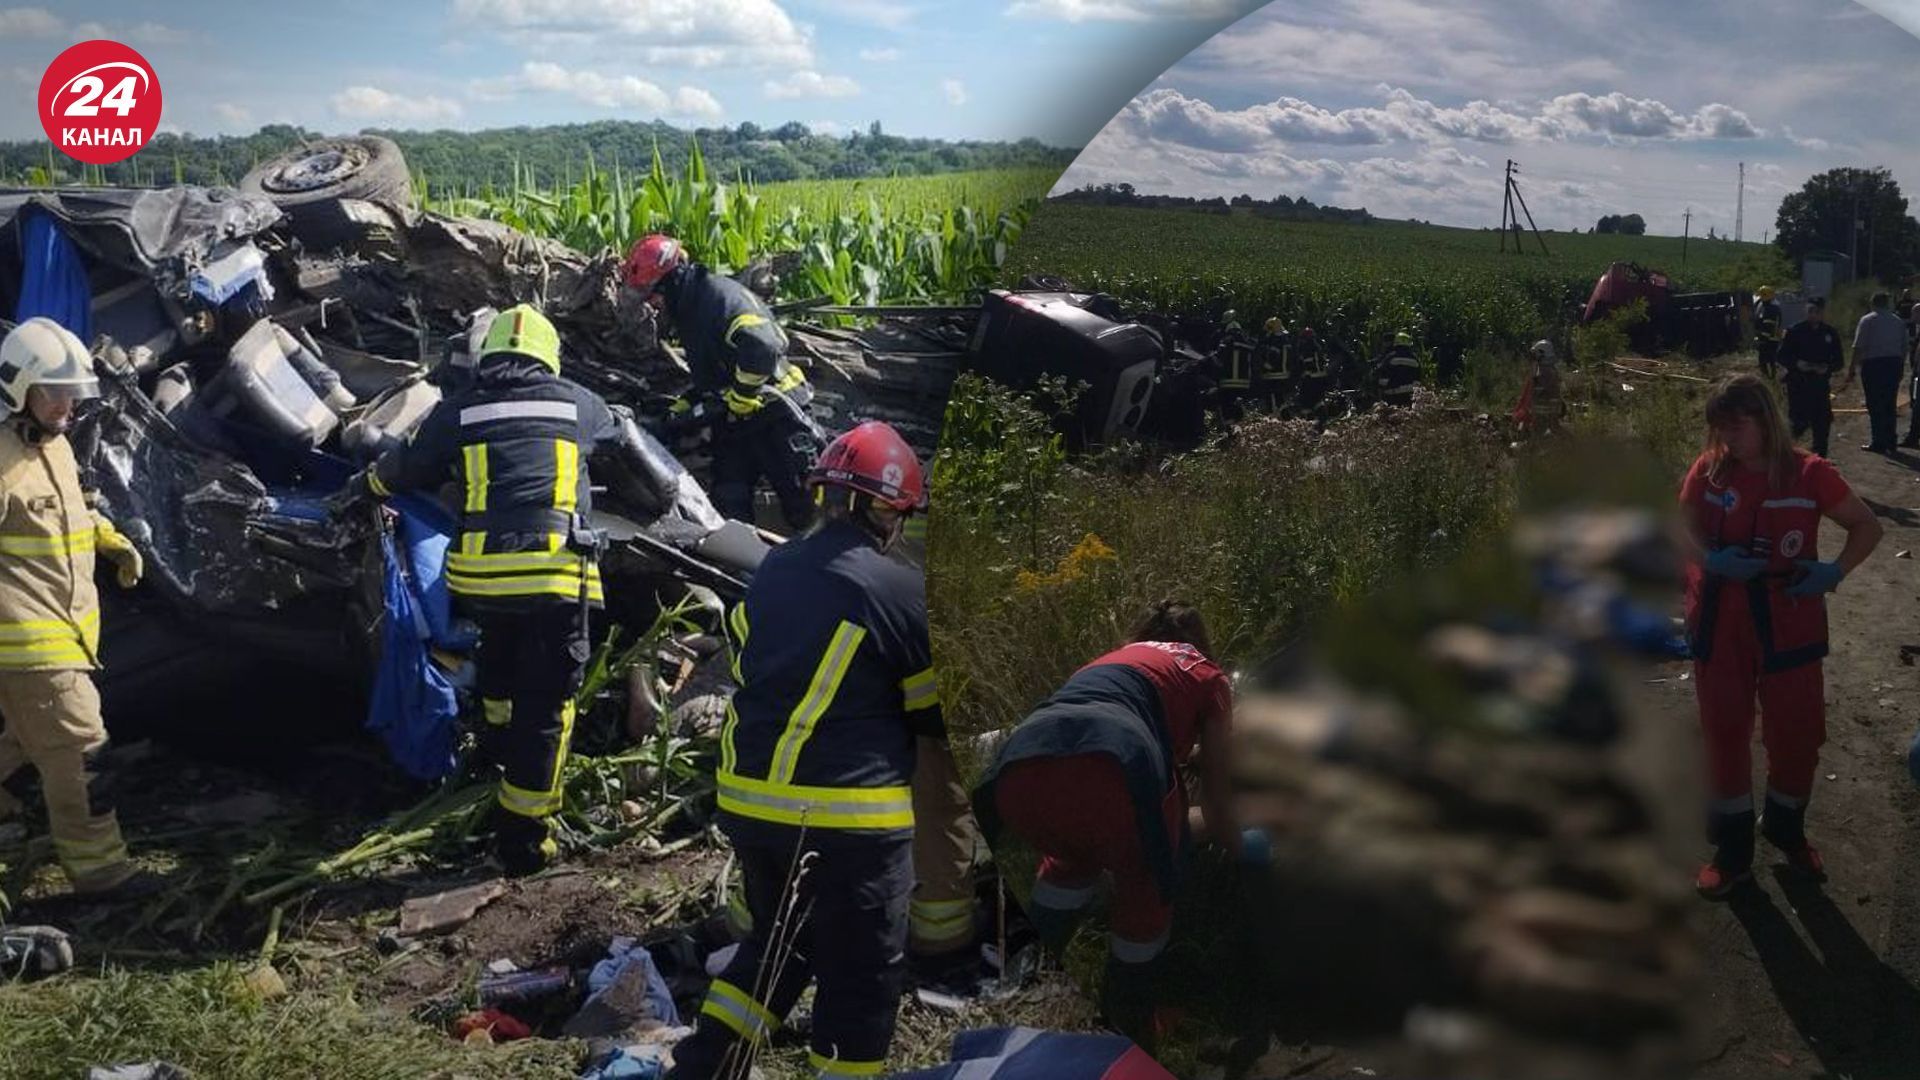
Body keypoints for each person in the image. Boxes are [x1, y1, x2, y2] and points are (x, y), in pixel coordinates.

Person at [670, 421, 935, 1080]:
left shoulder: (772, 571)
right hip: (851, 819)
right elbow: (932, 714)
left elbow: (747, 661)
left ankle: (701, 1069)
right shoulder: (898, 590)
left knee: (780, 946)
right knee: (861, 975)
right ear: (885, 510)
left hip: (751, 807)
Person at [348, 304, 638, 876]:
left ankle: (495, 762)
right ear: (548, 356)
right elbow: (620, 437)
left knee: (501, 677)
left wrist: (363, 487)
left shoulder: (459, 410)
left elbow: (400, 470)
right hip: (555, 578)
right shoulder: (580, 403)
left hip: (484, 581)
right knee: (547, 708)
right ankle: (525, 841)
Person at [970, 601, 1239, 1049]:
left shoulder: (1115, 659)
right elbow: (1216, 808)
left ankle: (1015, 999)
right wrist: (1244, 848)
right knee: (1147, 884)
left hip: (1018, 771)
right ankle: (1129, 1024)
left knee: (1071, 858)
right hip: (1118, 765)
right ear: (1199, 642)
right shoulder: (1208, 674)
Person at [1680, 374, 1882, 898]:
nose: (1727, 438)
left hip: (1789, 624)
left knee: (1798, 733)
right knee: (1724, 732)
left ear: (1765, 419)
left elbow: (1867, 526)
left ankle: (1785, 826)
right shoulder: (1709, 472)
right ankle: (1733, 852)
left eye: (1736, 425)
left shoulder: (1809, 474)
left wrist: (1834, 571)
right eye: (1720, 427)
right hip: (1721, 624)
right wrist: (1712, 559)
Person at [0, 318, 147, 898]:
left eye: (73, 392)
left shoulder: (55, 445)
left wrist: (107, 538)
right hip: (30, 646)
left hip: (69, 637)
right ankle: (102, 872)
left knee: (23, 740)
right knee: (84, 754)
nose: (67, 405)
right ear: (18, 389)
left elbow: (70, 511)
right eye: (54, 391)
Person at [621, 234, 825, 531]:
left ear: (670, 283)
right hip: (739, 422)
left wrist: (742, 395)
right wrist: (679, 412)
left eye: (653, 297)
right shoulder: (692, 309)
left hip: (776, 414)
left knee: (806, 511)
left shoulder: (716, 298)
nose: (653, 307)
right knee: (730, 512)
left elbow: (764, 345)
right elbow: (714, 378)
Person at [1777, 296, 1844, 457]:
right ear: (1806, 311)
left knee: (1822, 424)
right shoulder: (1795, 331)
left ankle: (1820, 458)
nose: (1814, 315)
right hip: (1798, 385)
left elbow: (1839, 361)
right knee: (1797, 425)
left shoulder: (1830, 333)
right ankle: (1790, 457)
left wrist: (1827, 368)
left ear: (1823, 312)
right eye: (1810, 311)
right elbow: (1781, 356)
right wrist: (1797, 364)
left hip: (1820, 386)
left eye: (1817, 311)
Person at [1850, 291, 1907, 453]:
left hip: (1873, 365)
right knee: (1889, 403)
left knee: (1875, 403)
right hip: (1893, 364)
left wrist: (1852, 369)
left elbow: (1858, 346)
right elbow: (1904, 348)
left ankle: (1878, 441)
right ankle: (1891, 441)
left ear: (1873, 303)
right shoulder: (1898, 321)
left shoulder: (1867, 320)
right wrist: (1900, 366)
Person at [1372, 330, 1421, 408]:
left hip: (1392, 395)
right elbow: (1418, 378)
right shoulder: (1415, 358)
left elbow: (1384, 376)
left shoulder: (1391, 357)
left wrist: (1380, 390)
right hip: (1409, 395)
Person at [1752, 285, 1784, 379]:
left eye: (1763, 296)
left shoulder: (1772, 309)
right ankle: (1770, 378)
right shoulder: (1767, 307)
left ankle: (1771, 379)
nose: (1761, 298)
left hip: (1770, 339)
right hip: (1767, 338)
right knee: (1766, 360)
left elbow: (1769, 325)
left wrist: (1762, 338)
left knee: (1768, 361)